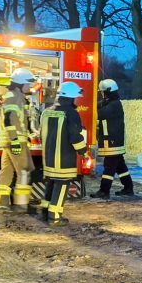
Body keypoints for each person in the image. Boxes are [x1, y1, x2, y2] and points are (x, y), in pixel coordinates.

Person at [40, 81, 89, 226]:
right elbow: (75, 137)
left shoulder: (46, 111)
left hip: (48, 159)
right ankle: (55, 218)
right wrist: (84, 152)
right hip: (63, 159)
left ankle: (45, 213)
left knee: (51, 184)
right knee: (61, 185)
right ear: (71, 97)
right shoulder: (71, 113)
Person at [0, 68, 37, 212]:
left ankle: (2, 203)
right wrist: (15, 140)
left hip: (7, 142)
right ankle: (21, 204)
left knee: (6, 171)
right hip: (16, 141)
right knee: (24, 171)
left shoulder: (10, 95)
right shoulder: (15, 97)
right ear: (21, 83)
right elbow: (10, 119)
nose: (29, 87)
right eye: (28, 84)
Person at [90, 78, 134, 199]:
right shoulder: (111, 103)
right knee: (120, 167)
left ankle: (104, 191)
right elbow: (98, 105)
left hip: (112, 142)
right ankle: (128, 188)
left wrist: (87, 109)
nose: (101, 94)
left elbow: (98, 114)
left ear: (107, 92)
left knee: (109, 168)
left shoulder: (114, 105)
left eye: (102, 92)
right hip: (114, 141)